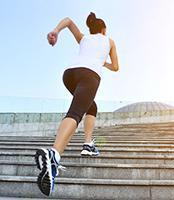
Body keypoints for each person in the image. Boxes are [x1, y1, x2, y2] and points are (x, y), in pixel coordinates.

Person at [34, 12, 119, 196]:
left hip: (70, 74)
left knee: (91, 107)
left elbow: (69, 21)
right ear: (103, 29)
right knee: (76, 112)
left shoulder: (84, 38)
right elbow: (116, 67)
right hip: (89, 76)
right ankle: (54, 155)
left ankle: (88, 145)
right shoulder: (109, 41)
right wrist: (102, 61)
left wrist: (55, 31)